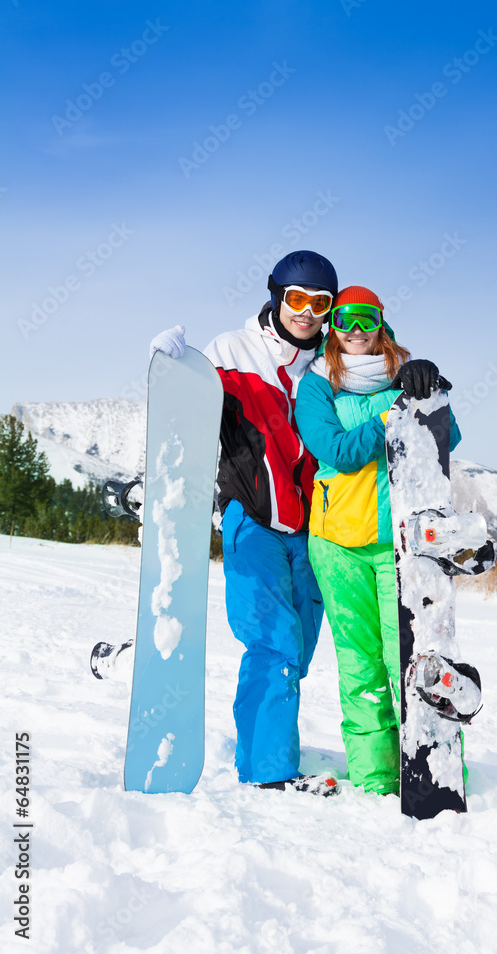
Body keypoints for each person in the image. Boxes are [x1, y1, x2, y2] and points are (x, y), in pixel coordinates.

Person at [150, 250, 342, 795]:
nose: (306, 312)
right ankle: (268, 772)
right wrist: (173, 372)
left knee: (297, 649)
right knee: (273, 642)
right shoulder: (231, 352)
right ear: (277, 294)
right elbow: (191, 413)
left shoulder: (330, 366)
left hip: (315, 532)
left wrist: (411, 372)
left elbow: (371, 348)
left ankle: (266, 744)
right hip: (252, 519)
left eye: (319, 303)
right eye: (296, 299)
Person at [294, 286, 461, 795]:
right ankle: (375, 778)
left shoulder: (408, 380)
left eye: (366, 319)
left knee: (409, 660)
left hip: (403, 548)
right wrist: (394, 414)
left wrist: (430, 395)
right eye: (344, 320)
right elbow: (337, 451)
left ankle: (432, 772)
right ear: (332, 328)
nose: (355, 330)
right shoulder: (317, 385)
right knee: (360, 666)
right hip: (337, 544)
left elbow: (446, 440)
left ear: (382, 325)